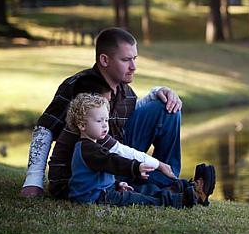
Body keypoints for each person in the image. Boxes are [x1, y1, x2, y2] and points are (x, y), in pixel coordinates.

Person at [20, 27, 186, 198]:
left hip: (118, 158)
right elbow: (45, 128)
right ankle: (147, 187)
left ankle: (166, 181)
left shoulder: (126, 91)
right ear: (104, 60)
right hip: (90, 165)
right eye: (126, 60)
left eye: (134, 59)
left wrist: (160, 92)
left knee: (167, 107)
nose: (133, 67)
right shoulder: (77, 86)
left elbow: (129, 114)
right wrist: (33, 181)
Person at [66, 92, 211, 207]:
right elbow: (111, 162)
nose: (105, 126)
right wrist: (135, 167)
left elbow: (101, 175)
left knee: (146, 190)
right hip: (95, 197)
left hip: (104, 190)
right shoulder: (87, 148)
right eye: (99, 121)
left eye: (106, 120)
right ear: (82, 125)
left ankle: (185, 187)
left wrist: (117, 184)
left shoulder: (94, 145)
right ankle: (182, 200)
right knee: (139, 198)